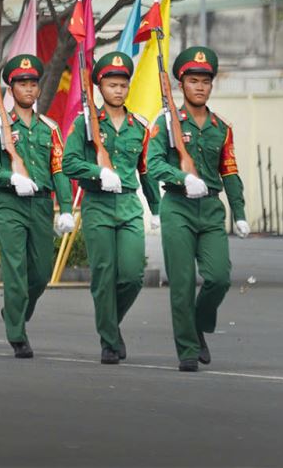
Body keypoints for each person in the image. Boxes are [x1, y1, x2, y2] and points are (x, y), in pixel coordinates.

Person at [146, 46, 248, 372]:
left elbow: (230, 172)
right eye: (193, 80)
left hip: (211, 210)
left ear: (212, 85)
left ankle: (198, 323)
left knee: (219, 277)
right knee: (182, 281)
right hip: (178, 206)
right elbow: (153, 164)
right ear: (181, 84)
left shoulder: (222, 127)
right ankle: (187, 348)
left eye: (205, 80)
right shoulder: (166, 122)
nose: (200, 86)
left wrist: (240, 213)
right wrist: (181, 177)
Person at [62, 50, 160, 365]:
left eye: (123, 85)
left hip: (130, 205)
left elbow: (144, 170)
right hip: (98, 205)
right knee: (104, 274)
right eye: (112, 85)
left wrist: (156, 209)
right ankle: (109, 339)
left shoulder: (139, 127)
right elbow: (68, 163)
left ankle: (110, 322)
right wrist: (98, 172)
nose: (118, 90)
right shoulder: (86, 124)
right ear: (100, 88)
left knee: (132, 275)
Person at [0, 53, 73, 359]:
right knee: (16, 273)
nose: (29, 89)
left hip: (42, 207)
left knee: (40, 275)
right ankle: (17, 334)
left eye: (33, 83)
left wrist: (67, 207)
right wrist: (11, 178)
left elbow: (58, 170)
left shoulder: (49, 128)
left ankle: (14, 311)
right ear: (11, 88)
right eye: (22, 84)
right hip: (10, 205)